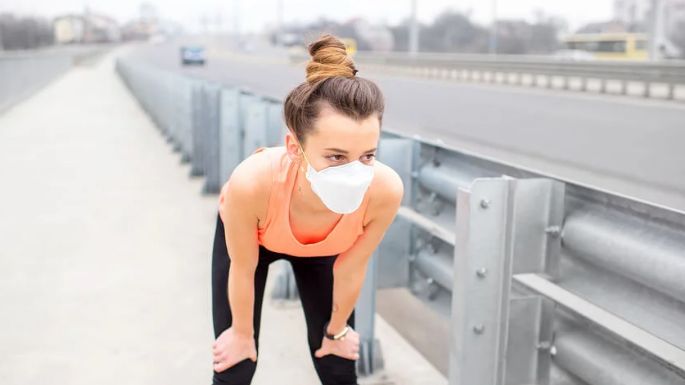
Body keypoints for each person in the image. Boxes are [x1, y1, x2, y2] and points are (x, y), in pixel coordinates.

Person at [210, 33, 404, 385]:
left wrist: (337, 331)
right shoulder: (251, 183)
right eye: (335, 156)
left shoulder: (384, 190)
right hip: (253, 242)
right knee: (235, 365)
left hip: (324, 253)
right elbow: (242, 267)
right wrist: (241, 333)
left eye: (368, 156)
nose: (354, 172)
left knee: (337, 363)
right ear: (294, 148)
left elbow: (351, 267)